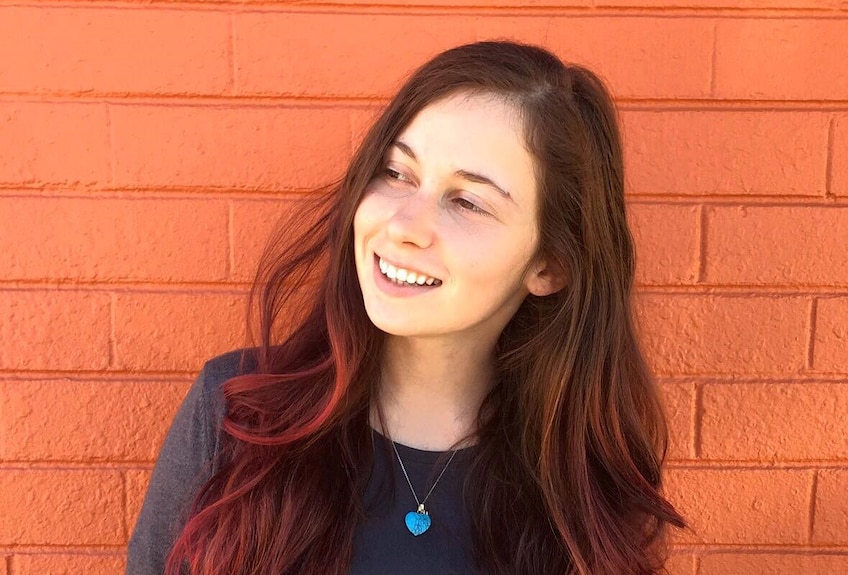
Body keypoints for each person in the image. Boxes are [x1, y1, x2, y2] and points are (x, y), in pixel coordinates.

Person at [126, 40, 685, 575]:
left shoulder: (590, 488)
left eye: (467, 201)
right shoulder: (239, 416)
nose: (402, 225)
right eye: (397, 173)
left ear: (549, 266)